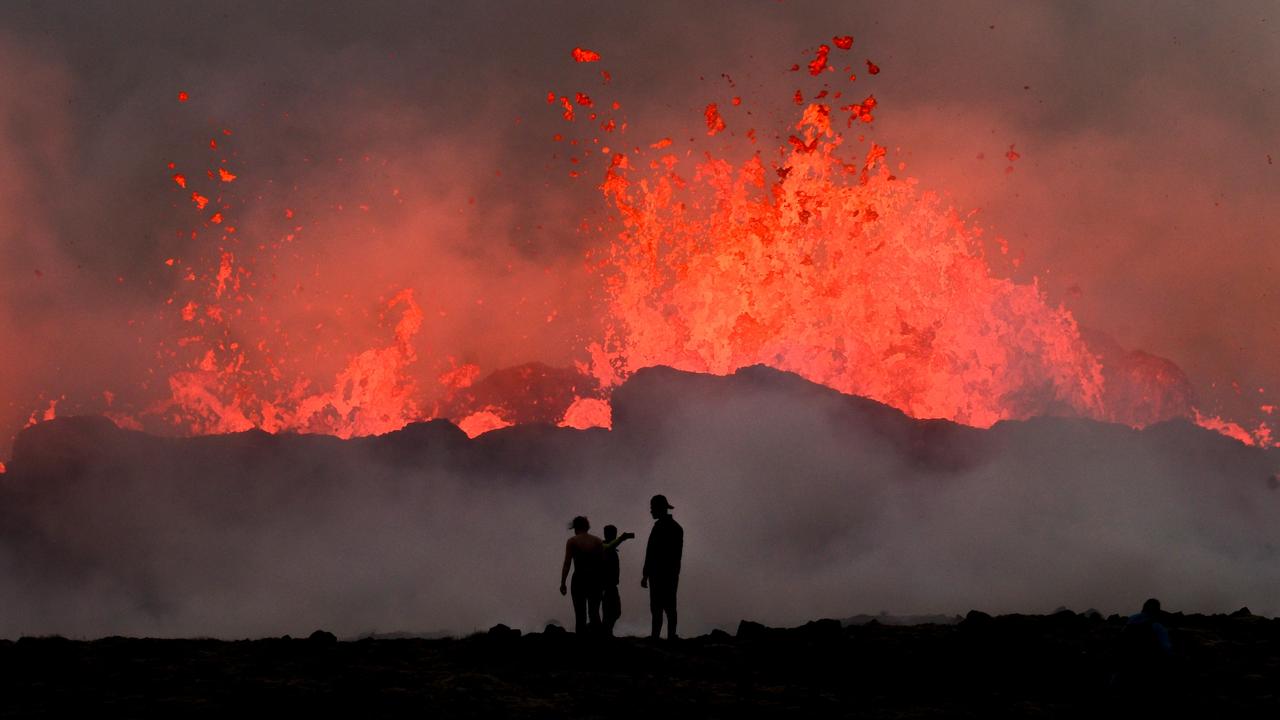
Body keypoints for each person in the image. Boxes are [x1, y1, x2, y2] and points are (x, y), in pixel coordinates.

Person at [641, 494, 683, 640]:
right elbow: (677, 557)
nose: (651, 511)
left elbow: (651, 552)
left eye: (652, 508)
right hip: (670, 574)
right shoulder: (677, 528)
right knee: (669, 607)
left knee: (658, 607)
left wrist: (646, 574)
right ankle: (670, 636)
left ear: (659, 508)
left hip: (658, 574)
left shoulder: (659, 528)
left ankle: (656, 636)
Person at [560, 515, 605, 635]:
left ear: (576, 527)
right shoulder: (597, 541)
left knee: (580, 615)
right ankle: (599, 641)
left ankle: (581, 643)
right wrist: (603, 583)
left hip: (579, 579)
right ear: (587, 526)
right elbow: (602, 564)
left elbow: (567, 563)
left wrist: (563, 583)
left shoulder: (573, 541)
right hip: (595, 580)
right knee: (594, 613)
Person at [600, 525, 636, 636]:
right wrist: (622, 538)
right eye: (612, 533)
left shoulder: (609, 548)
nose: (614, 536)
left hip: (610, 585)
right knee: (611, 611)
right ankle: (605, 632)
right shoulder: (603, 546)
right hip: (606, 585)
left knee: (613, 611)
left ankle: (606, 632)